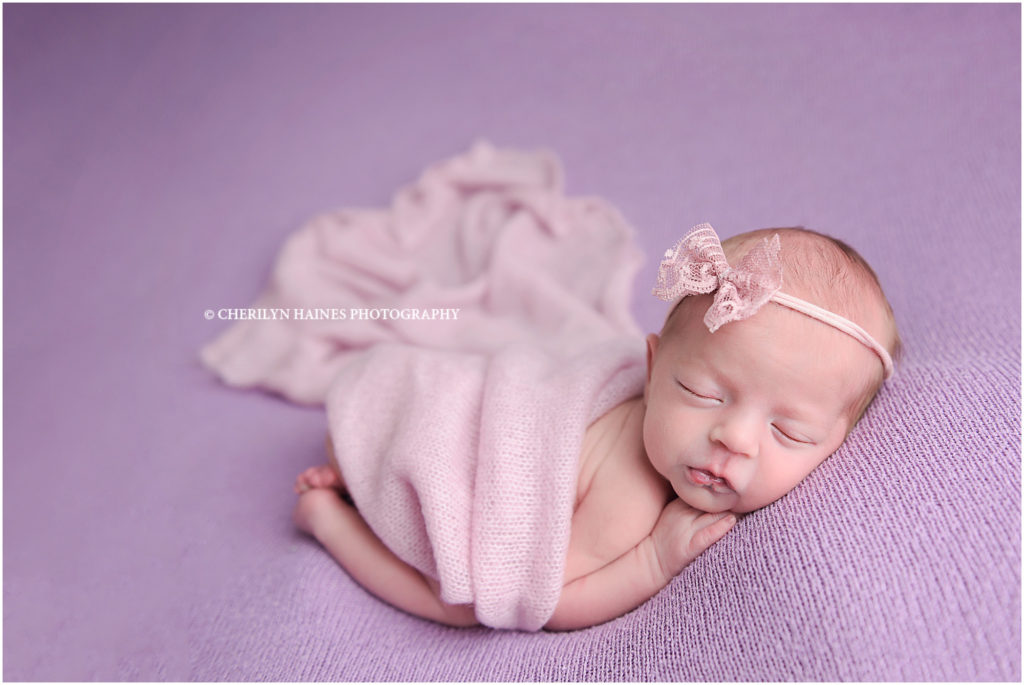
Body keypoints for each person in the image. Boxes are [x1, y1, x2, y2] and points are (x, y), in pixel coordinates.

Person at [292, 223, 901, 631]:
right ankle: (330, 518)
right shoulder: (630, 496)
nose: (734, 439)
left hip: (387, 394)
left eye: (789, 432)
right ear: (652, 368)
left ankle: (351, 460)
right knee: (461, 603)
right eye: (701, 392)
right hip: (423, 437)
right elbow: (549, 601)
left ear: (835, 443)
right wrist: (653, 562)